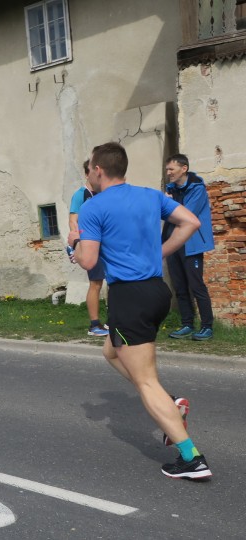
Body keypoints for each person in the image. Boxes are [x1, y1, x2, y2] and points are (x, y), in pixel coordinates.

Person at [68, 142, 211, 479]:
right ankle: (170, 402)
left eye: (88, 169)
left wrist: (74, 243)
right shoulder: (151, 195)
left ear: (99, 170)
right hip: (157, 292)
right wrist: (160, 251)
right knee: (112, 351)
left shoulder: (93, 207)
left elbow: (88, 261)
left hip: (129, 297)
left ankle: (191, 458)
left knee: (146, 382)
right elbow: (190, 222)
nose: (87, 175)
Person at [162, 154, 215, 341]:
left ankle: (207, 326)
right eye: (167, 169)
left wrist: (167, 204)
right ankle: (187, 324)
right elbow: (164, 214)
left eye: (172, 170)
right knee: (180, 286)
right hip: (172, 244)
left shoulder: (197, 189)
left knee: (196, 285)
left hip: (191, 245)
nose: (168, 173)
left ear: (183, 169)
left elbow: (185, 216)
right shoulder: (169, 190)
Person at [69, 159, 108, 337]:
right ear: (87, 174)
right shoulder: (81, 194)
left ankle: (112, 321)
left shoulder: (103, 193)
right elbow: (73, 221)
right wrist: (78, 244)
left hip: (106, 244)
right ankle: (94, 325)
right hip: (90, 244)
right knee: (96, 283)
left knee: (114, 282)